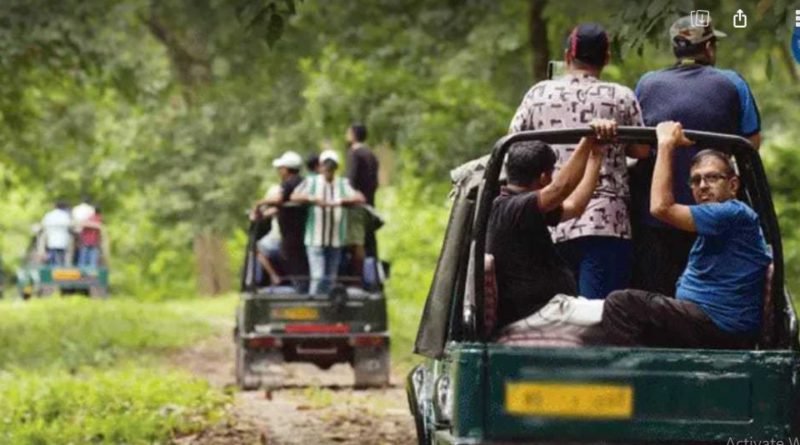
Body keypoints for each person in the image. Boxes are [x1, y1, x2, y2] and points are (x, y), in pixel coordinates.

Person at [584, 122, 771, 349]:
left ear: (733, 185)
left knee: (621, 304)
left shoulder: (733, 213)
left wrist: (665, 145)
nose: (702, 186)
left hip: (719, 325)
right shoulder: (712, 222)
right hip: (704, 320)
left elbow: (661, 208)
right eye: (695, 180)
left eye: (712, 178)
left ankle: (633, 380)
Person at [509, 23, 648, 300]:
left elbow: (513, 146)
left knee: (552, 317)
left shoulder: (538, 94)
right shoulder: (620, 97)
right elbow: (642, 151)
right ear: (606, 58)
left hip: (548, 217)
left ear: (567, 57)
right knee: (598, 317)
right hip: (607, 221)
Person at [631, 15, 762, 296]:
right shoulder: (733, 83)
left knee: (659, 295)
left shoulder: (646, 84)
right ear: (709, 47)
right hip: (715, 216)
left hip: (658, 217)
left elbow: (639, 148)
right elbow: (751, 145)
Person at [487, 119, 616, 331]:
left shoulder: (515, 207)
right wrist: (587, 139)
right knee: (624, 309)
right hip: (538, 313)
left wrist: (596, 156)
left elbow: (574, 206)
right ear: (544, 177)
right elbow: (561, 189)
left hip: (550, 309)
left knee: (622, 307)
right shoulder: (513, 207)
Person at [291, 150, 365, 295]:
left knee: (330, 279)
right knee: (318, 277)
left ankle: (326, 312)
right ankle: (314, 310)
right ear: (321, 166)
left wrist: (341, 201)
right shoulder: (312, 182)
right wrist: (313, 199)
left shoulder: (342, 184)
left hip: (335, 239)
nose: (328, 170)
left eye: (332, 167)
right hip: (315, 238)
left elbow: (360, 198)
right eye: (326, 166)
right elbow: (294, 196)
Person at [253, 151, 309, 286]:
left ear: (286, 169)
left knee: (296, 269)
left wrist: (260, 203)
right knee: (300, 269)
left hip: (290, 237)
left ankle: (278, 279)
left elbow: (278, 200)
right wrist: (265, 214)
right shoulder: (304, 182)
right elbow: (283, 206)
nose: (279, 171)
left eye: (281, 168)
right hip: (301, 236)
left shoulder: (288, 183)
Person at [344, 123, 380, 282]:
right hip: (369, 204)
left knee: (356, 242)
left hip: (356, 206)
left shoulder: (355, 153)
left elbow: (351, 181)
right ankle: (373, 277)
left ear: (353, 134)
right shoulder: (371, 154)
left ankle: (357, 279)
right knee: (370, 243)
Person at [40, 201, 73, 266]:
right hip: (63, 240)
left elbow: (43, 225)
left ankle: (53, 268)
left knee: (52, 255)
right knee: (61, 256)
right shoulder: (65, 215)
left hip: (51, 239)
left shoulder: (49, 215)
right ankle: (59, 268)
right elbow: (70, 225)